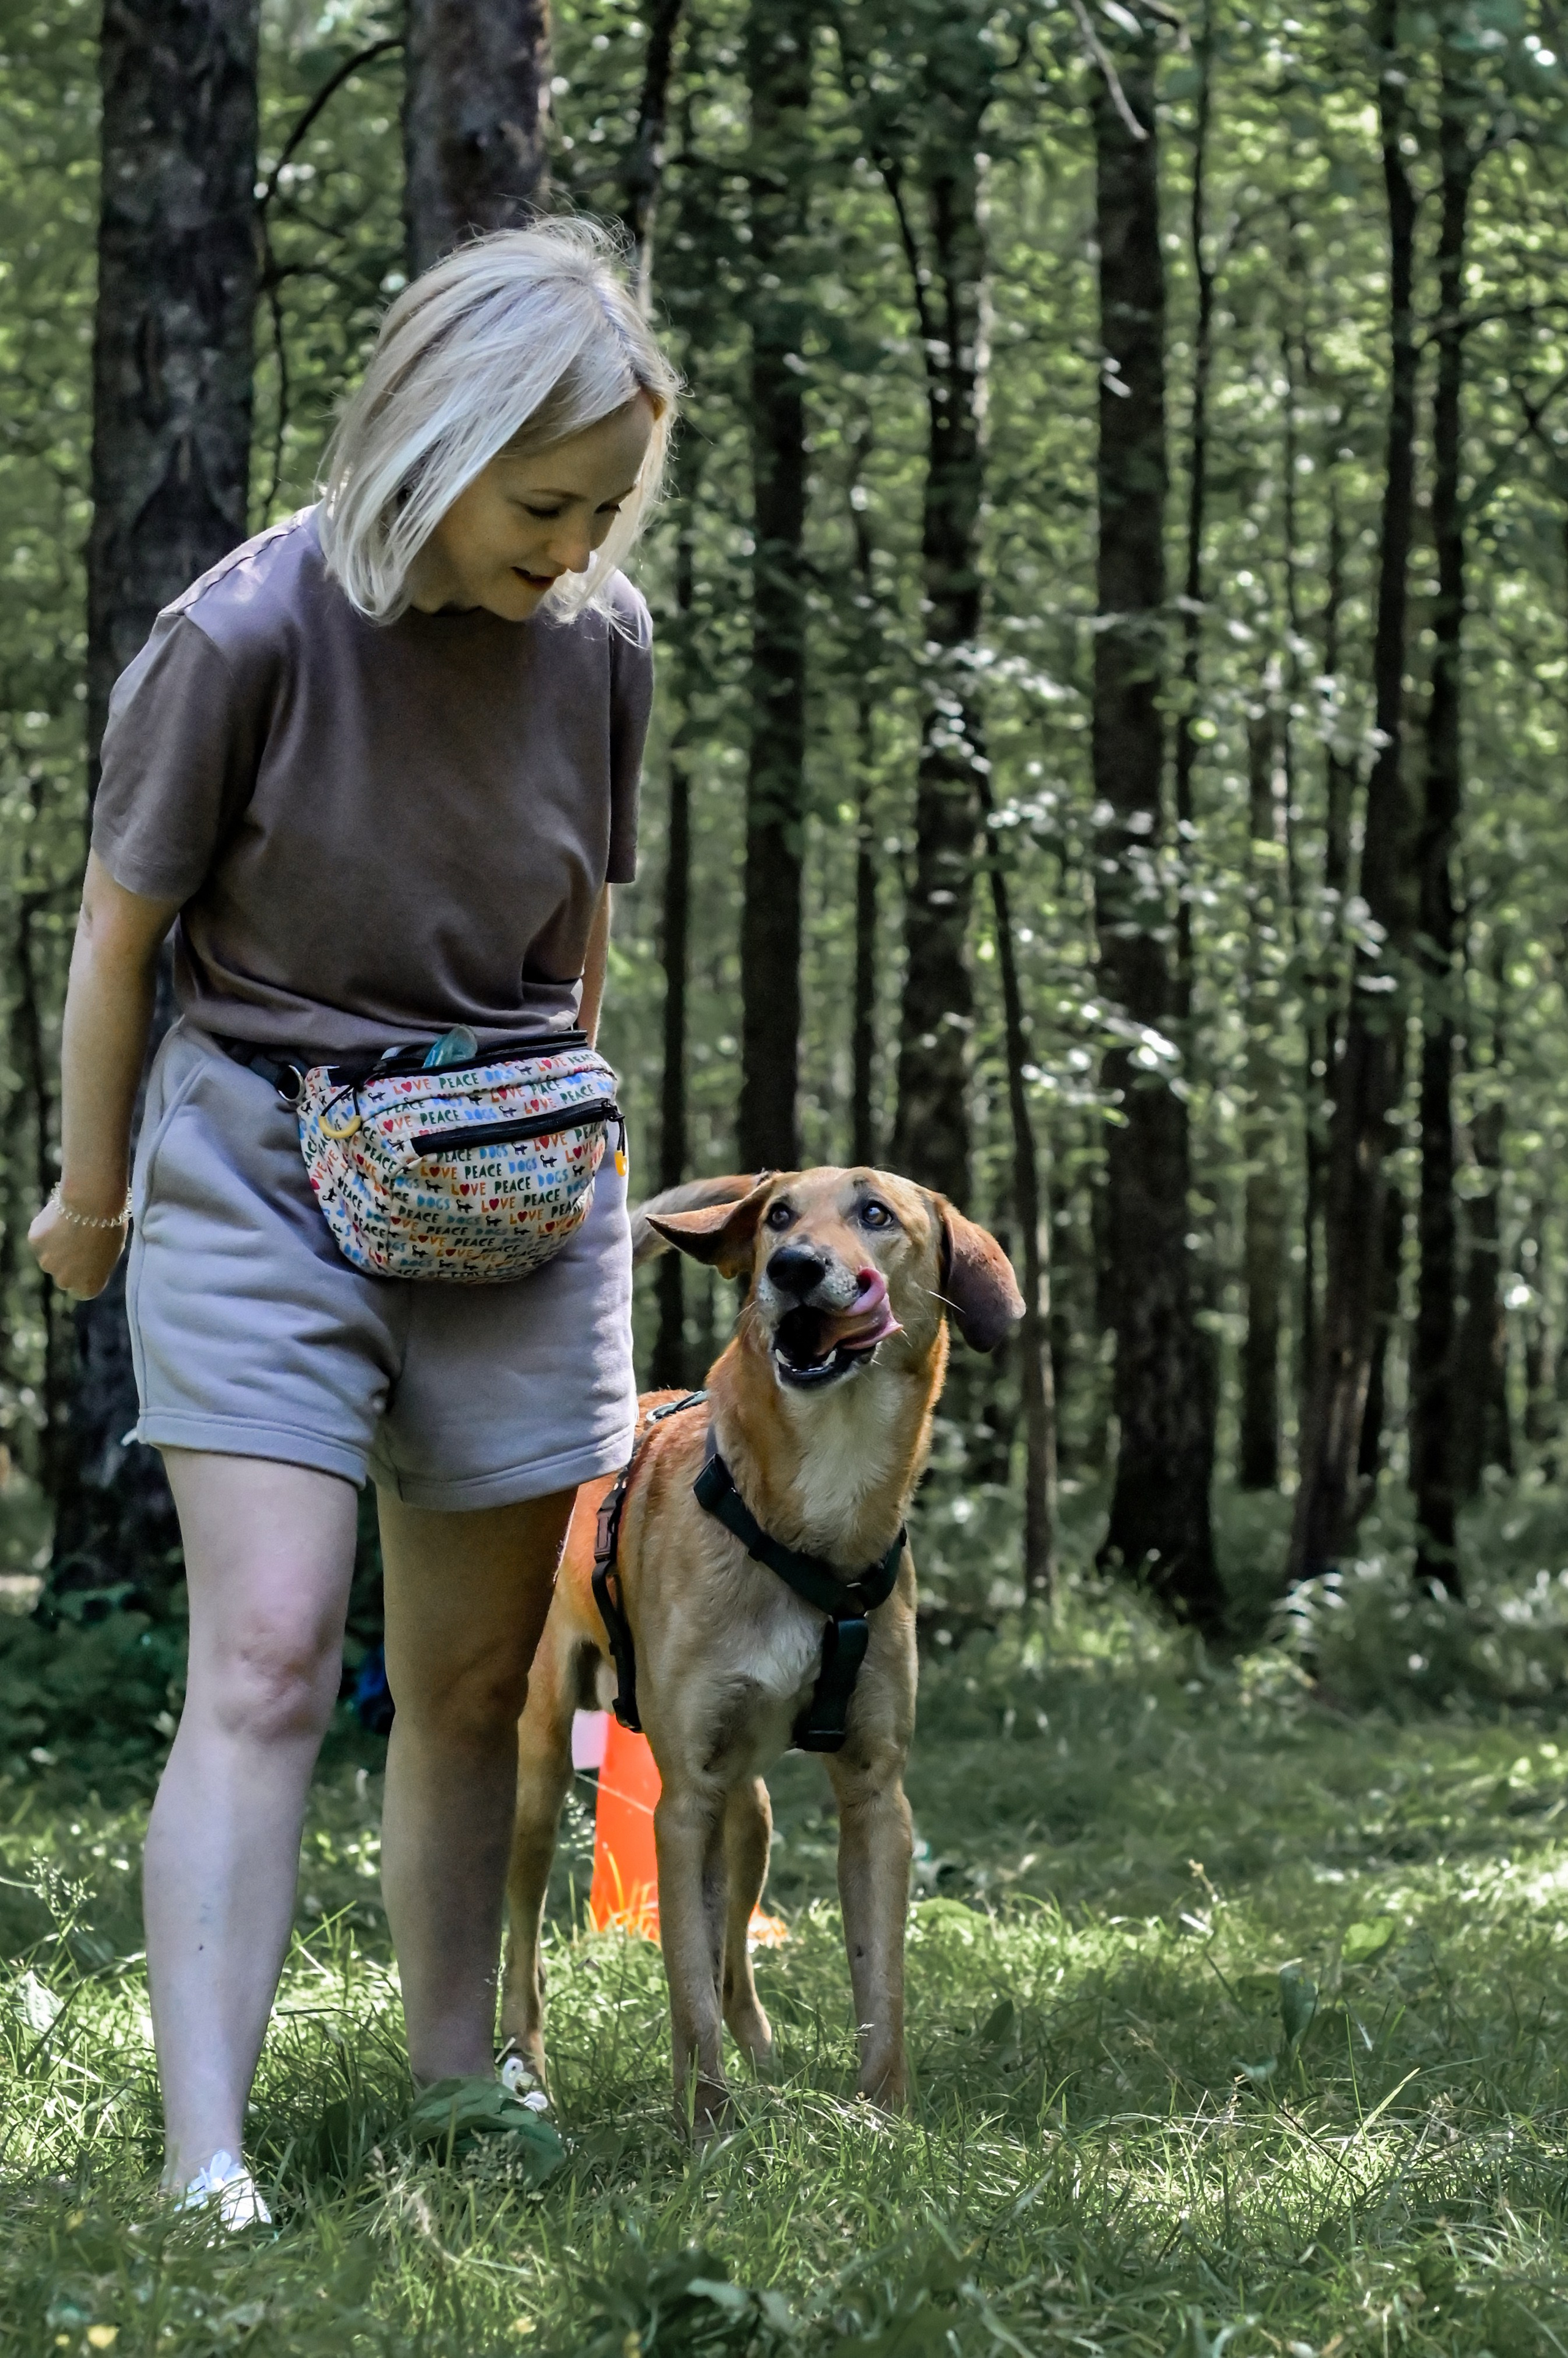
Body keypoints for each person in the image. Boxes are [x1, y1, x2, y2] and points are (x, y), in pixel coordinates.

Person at [29, 220, 678, 2226]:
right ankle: (206, 2158)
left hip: (514, 1177)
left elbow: (576, 939)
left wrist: (539, 1142)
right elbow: (117, 939)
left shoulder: (604, 644)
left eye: (607, 509)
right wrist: (93, 1193)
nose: (577, 548)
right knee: (271, 1653)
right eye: (546, 504)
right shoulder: (238, 639)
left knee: (478, 1682)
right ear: (437, 442)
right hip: (258, 1161)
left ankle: (458, 2081)